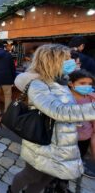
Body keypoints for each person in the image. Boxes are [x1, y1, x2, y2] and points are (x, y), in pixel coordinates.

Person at [9, 44, 95, 193]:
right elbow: (58, 110)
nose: (72, 62)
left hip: (60, 143)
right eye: (67, 59)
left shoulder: (60, 81)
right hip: (43, 143)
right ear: (52, 61)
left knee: (47, 178)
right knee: (30, 175)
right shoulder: (38, 84)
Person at [69, 70, 95, 178]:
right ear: (71, 83)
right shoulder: (65, 98)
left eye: (89, 84)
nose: (87, 87)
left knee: (74, 164)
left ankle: (62, 185)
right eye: (82, 83)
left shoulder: (91, 99)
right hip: (65, 138)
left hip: (84, 139)